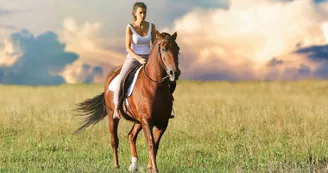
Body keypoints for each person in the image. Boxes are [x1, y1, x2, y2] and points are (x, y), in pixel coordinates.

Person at [113, 2, 174, 119]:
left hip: (149, 57)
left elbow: (154, 43)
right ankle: (116, 108)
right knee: (121, 79)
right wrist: (138, 58)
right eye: (140, 13)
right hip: (133, 58)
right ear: (135, 13)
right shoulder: (130, 27)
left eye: (144, 12)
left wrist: (154, 58)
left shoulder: (151, 26)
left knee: (168, 78)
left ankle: (167, 107)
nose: (143, 15)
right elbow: (128, 48)